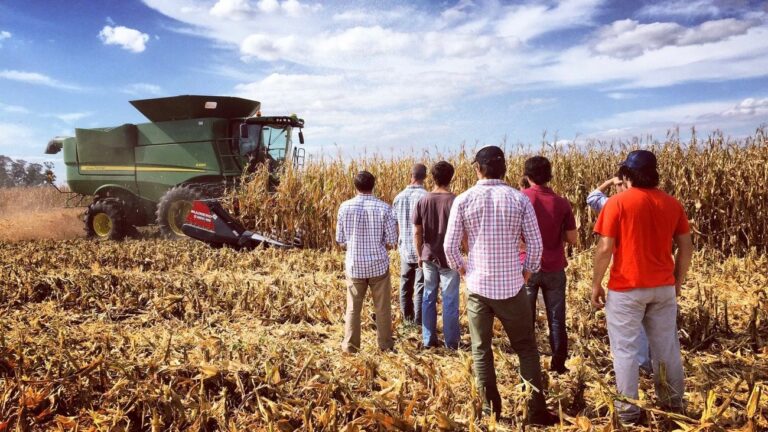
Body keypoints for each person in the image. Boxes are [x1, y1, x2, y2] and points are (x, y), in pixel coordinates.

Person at [444, 146, 557, 425]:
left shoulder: (464, 199)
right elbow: (536, 243)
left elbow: (449, 246)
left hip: (479, 289)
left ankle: (490, 412)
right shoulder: (518, 199)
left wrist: (463, 267)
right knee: (526, 348)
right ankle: (534, 412)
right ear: (504, 170)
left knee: (481, 350)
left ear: (477, 169)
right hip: (512, 288)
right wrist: (527, 271)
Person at [591, 150, 693, 425]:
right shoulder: (672, 204)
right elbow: (686, 247)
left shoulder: (617, 203)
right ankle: (673, 404)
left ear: (626, 175)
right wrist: (677, 281)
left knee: (624, 351)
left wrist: (595, 284)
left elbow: (604, 249)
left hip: (626, 290)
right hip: (662, 288)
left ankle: (627, 414)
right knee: (667, 349)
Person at [588, 175, 654, 374]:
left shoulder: (611, 205)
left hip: (629, 277)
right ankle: (652, 364)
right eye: (617, 185)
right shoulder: (654, 202)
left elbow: (592, 198)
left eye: (621, 184)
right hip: (657, 277)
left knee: (629, 329)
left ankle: (640, 366)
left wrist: (609, 181)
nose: (619, 187)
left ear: (628, 182)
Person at [521, 156, 577, 374]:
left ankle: (529, 364)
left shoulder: (522, 198)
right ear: (549, 175)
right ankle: (558, 364)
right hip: (555, 267)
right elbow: (572, 238)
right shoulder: (561, 202)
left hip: (528, 266)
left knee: (526, 318)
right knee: (556, 317)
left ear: (528, 175)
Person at [336, 171, 398, 353]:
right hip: (378, 266)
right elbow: (392, 241)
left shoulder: (344, 207)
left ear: (355, 186)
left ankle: (350, 346)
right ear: (374, 185)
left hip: (355, 266)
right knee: (382, 308)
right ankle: (385, 346)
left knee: (353, 308)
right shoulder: (384, 208)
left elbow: (340, 240)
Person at [413, 161, 460, 349]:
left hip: (429, 255)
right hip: (450, 258)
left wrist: (419, 254)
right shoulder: (456, 200)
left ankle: (428, 339)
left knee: (428, 296)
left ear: (432, 177)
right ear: (451, 178)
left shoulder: (423, 200)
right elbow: (462, 232)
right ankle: (451, 343)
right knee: (450, 301)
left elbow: (417, 232)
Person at [393, 164, 428, 325]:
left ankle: (406, 319)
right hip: (422, 248)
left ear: (411, 175)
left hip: (405, 247)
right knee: (420, 285)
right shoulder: (426, 197)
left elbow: (396, 224)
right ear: (425, 177)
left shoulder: (398, 197)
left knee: (405, 283)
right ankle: (419, 320)